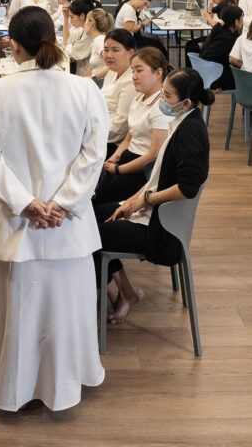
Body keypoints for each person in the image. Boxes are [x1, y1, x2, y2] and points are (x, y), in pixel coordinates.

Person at [0, 6, 109, 412]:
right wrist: (63, 204)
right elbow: (94, 155)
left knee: (19, 309)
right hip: (68, 225)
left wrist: (27, 204)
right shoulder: (85, 89)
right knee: (68, 308)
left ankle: (12, 384)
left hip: (19, 224)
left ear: (13, 45)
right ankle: (68, 379)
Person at [95, 67, 210, 325]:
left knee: (91, 233)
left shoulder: (190, 132)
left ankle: (116, 294)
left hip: (162, 230)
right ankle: (125, 291)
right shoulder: (182, 121)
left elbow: (187, 188)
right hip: (155, 211)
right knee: (92, 216)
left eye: (167, 97)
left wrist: (144, 201)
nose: (162, 101)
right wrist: (132, 202)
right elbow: (156, 178)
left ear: (186, 102)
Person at [96, 47, 170, 202]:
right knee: (93, 184)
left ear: (158, 73)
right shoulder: (138, 99)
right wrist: (114, 159)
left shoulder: (161, 107)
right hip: (128, 157)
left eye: (139, 71)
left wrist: (119, 169)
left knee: (97, 196)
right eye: (132, 71)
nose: (134, 76)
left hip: (143, 170)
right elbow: (129, 138)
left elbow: (153, 155)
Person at [100, 28, 138, 155]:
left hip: (113, 144)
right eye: (106, 50)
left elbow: (120, 129)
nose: (109, 55)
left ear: (131, 53)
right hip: (100, 128)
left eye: (115, 50)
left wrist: (89, 133)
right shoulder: (112, 71)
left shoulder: (132, 82)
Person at [197, 4, 244, 91]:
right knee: (242, 74)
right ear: (236, 21)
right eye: (241, 18)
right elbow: (233, 60)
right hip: (215, 75)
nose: (243, 20)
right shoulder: (228, 38)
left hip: (205, 71)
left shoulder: (220, 30)